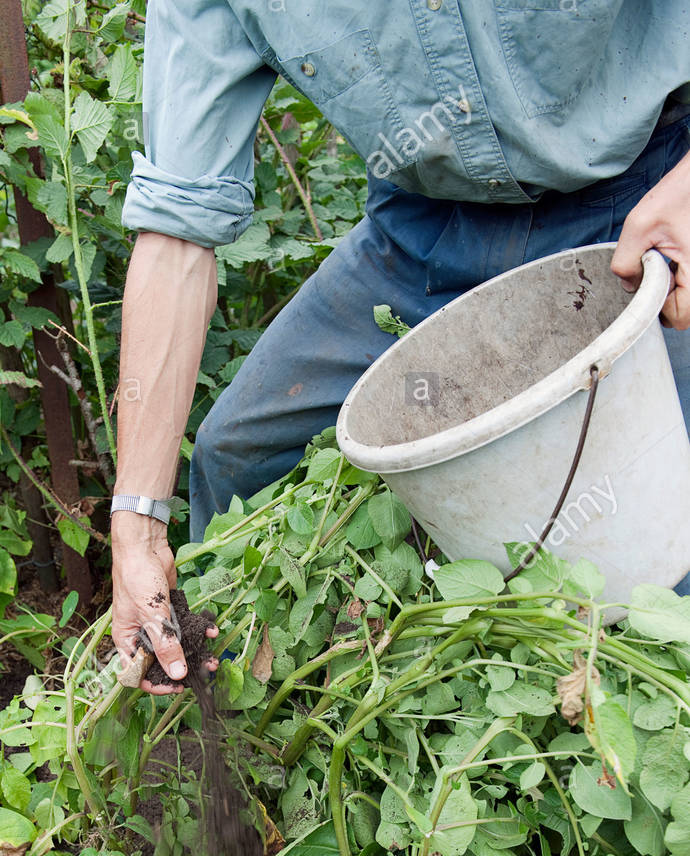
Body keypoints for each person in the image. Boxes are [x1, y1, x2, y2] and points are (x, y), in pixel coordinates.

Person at [110, 1, 690, 693]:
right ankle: (258, 728)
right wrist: (137, 526)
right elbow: (177, 227)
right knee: (241, 458)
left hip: (645, 204)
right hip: (421, 232)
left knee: (661, 536)